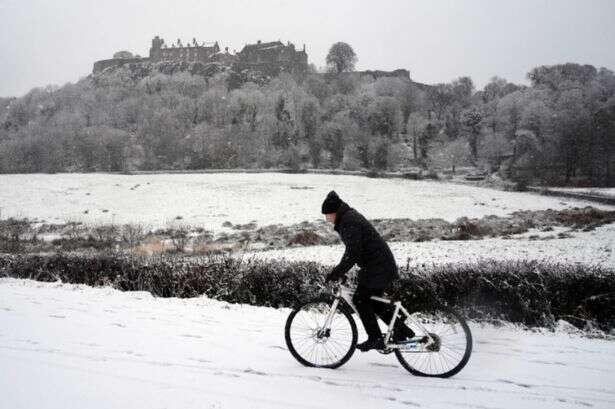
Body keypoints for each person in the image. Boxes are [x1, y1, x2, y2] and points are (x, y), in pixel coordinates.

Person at [321, 191, 415, 352]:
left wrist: (337, 272)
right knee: (374, 302)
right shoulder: (348, 218)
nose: (326, 219)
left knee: (359, 299)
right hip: (380, 265)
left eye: (327, 214)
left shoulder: (349, 221)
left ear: (335, 212)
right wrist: (341, 269)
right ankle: (402, 331)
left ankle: (375, 338)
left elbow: (353, 252)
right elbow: (354, 251)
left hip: (378, 267)